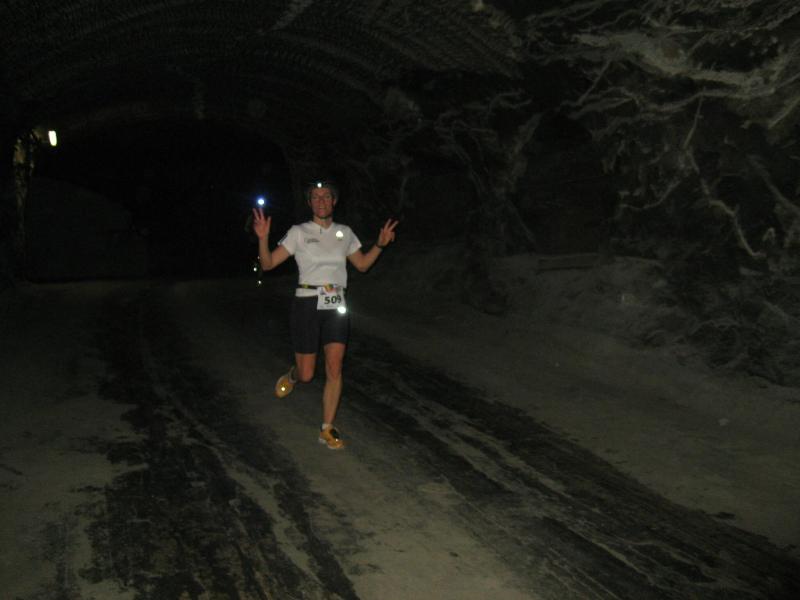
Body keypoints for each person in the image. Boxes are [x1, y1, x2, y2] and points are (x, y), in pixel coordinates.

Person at [252, 181, 398, 449]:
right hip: (307, 304)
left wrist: (379, 244)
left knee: (334, 366)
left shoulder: (345, 232)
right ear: (310, 203)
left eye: (326, 196)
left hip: (336, 304)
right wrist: (263, 238)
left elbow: (362, 265)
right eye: (316, 197)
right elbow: (268, 263)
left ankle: (327, 428)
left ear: (334, 201)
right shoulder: (299, 232)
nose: (321, 201)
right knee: (307, 374)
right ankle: (293, 375)